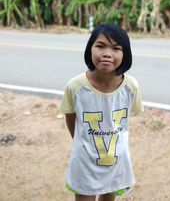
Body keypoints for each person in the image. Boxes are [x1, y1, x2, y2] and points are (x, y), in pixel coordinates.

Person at [60, 24, 144, 201]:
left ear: (125, 54)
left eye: (116, 48)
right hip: (85, 160)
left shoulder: (131, 86)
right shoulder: (75, 87)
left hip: (116, 159)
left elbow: (127, 119)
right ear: (90, 49)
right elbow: (70, 119)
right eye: (100, 46)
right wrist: (85, 143)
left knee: (109, 197)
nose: (107, 53)